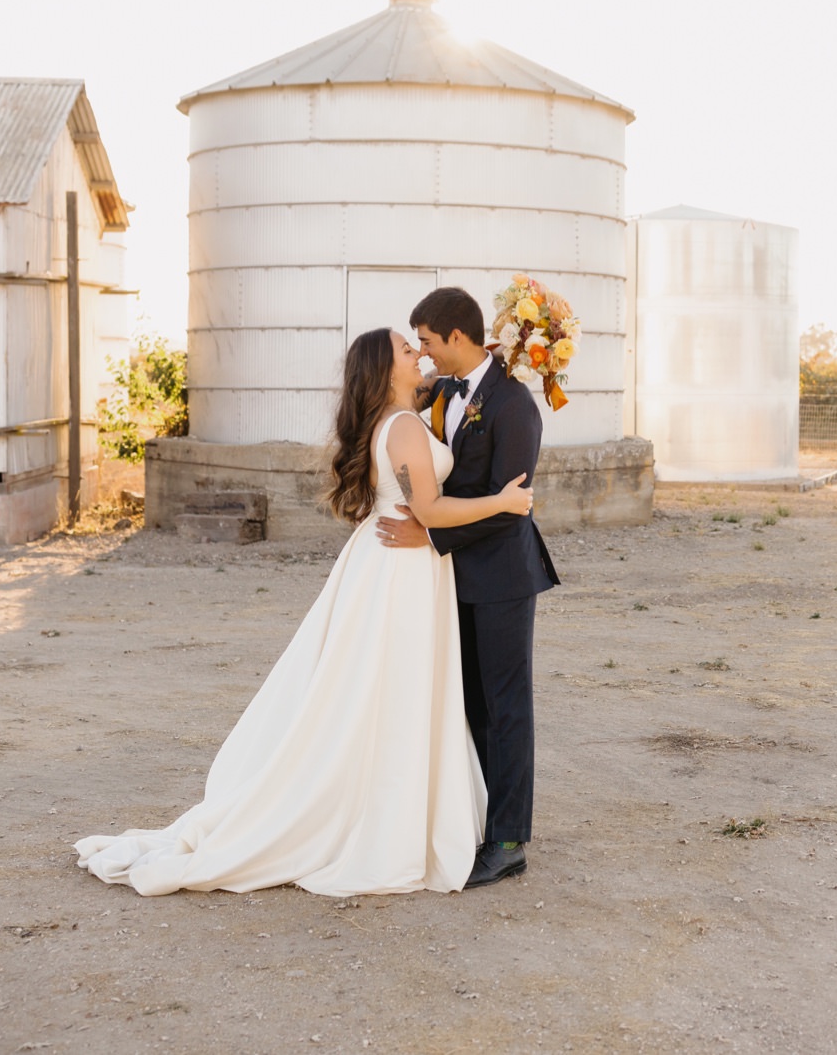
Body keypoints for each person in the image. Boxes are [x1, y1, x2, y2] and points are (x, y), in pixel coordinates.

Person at [72, 328, 532, 898]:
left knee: (377, 689)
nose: (419, 354)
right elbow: (430, 509)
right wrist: (505, 502)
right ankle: (387, 817)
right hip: (401, 569)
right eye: (407, 350)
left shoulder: (397, 420)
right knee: (394, 689)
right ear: (388, 372)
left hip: (390, 560)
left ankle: (397, 806)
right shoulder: (406, 426)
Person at [378, 286, 559, 888]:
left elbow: (512, 509)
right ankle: (479, 816)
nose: (424, 355)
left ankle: (509, 839)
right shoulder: (444, 396)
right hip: (454, 576)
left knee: (507, 706)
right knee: (470, 703)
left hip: (504, 575)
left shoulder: (514, 408)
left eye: (427, 342)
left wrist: (430, 535)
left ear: (457, 337)